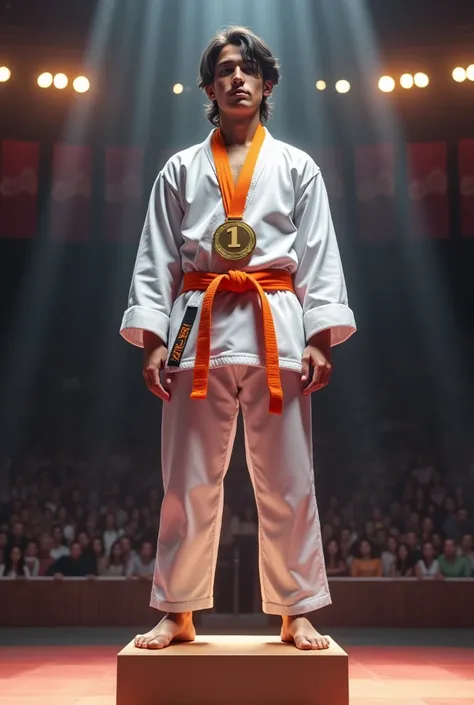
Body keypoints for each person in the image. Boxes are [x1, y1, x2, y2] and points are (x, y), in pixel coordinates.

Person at [120, 26, 355, 650]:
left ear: (268, 83)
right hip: (195, 325)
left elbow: (318, 255)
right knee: (188, 478)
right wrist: (151, 339)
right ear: (209, 86)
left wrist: (320, 338)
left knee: (288, 478)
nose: (238, 78)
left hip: (275, 318)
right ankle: (178, 609)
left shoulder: (297, 166)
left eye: (249, 69)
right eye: (225, 69)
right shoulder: (180, 168)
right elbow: (157, 259)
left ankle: (295, 608)